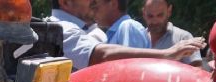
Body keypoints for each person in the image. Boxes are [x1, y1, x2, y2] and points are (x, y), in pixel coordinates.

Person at [49, 0, 204, 70]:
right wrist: (167, 54)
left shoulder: (126, 27)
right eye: (150, 15)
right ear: (66, 2)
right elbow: (101, 54)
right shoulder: (62, 28)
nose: (93, 2)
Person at [142, 0, 202, 67]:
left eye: (160, 15)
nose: (155, 21)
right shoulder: (138, 38)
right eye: (150, 16)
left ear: (169, 11)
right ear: (144, 13)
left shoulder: (183, 38)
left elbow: (197, 71)